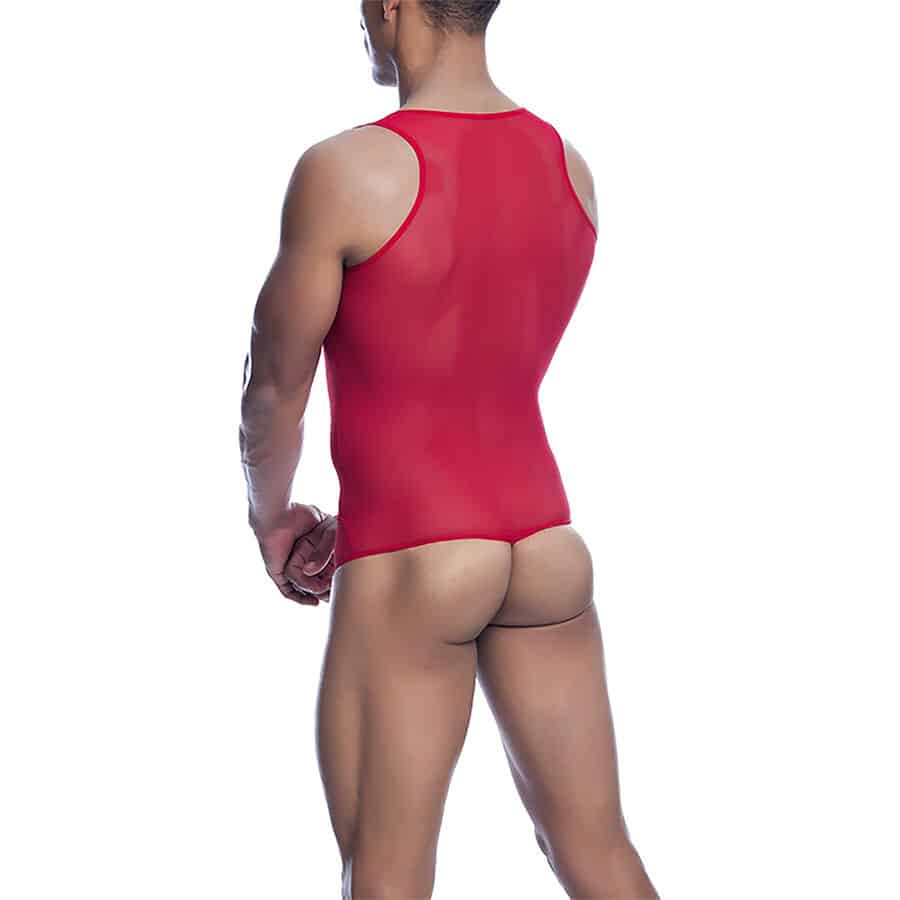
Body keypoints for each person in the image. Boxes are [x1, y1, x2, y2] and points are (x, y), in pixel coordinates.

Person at [239, 1, 658, 897]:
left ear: (393, 7)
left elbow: (273, 387)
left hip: (414, 553)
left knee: (383, 875)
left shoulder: (344, 171)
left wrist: (273, 519)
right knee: (597, 851)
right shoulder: (569, 166)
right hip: (546, 548)